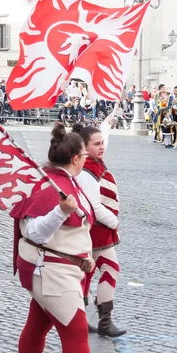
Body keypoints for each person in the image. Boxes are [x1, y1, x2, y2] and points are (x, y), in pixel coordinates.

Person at [10, 122, 95, 353]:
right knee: (76, 332)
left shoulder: (64, 180)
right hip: (51, 271)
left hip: (58, 268)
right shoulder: (50, 187)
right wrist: (60, 211)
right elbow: (35, 233)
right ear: (77, 158)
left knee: (37, 325)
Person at [72, 118, 127, 338]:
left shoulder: (91, 165)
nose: (102, 147)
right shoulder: (87, 171)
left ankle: (83, 320)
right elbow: (93, 206)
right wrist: (113, 221)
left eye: (103, 142)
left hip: (98, 229)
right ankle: (104, 321)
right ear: (84, 148)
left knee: (87, 273)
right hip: (98, 229)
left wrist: (106, 127)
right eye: (96, 144)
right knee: (109, 269)